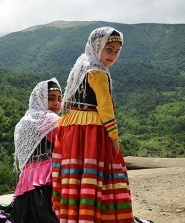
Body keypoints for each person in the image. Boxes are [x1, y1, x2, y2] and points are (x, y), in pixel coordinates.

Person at [52, 27, 133, 222]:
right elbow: (105, 106)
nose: (113, 55)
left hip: (71, 126)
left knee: (75, 176)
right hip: (91, 130)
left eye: (116, 51)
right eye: (109, 49)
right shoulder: (97, 72)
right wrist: (113, 137)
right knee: (98, 177)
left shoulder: (81, 65)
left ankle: (74, 217)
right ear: (97, 47)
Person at [11, 78, 62, 223]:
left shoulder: (24, 120)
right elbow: (68, 143)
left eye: (59, 99)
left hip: (26, 183)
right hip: (46, 180)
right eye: (51, 98)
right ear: (39, 99)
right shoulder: (48, 118)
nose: (56, 103)